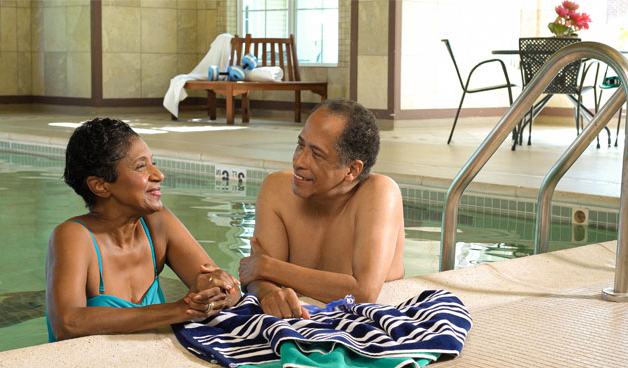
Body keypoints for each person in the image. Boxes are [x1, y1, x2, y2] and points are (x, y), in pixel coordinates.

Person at [46, 118, 240, 342]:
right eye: (141, 166)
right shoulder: (74, 236)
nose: (158, 175)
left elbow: (226, 291)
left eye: (152, 162)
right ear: (100, 185)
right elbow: (68, 323)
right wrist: (181, 309)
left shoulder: (156, 223)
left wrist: (217, 288)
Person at [238, 99, 405, 319]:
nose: (299, 161)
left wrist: (268, 267)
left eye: (316, 154)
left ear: (352, 170)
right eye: (300, 145)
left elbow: (363, 294)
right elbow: (255, 275)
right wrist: (268, 291)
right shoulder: (276, 189)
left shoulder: (380, 194)